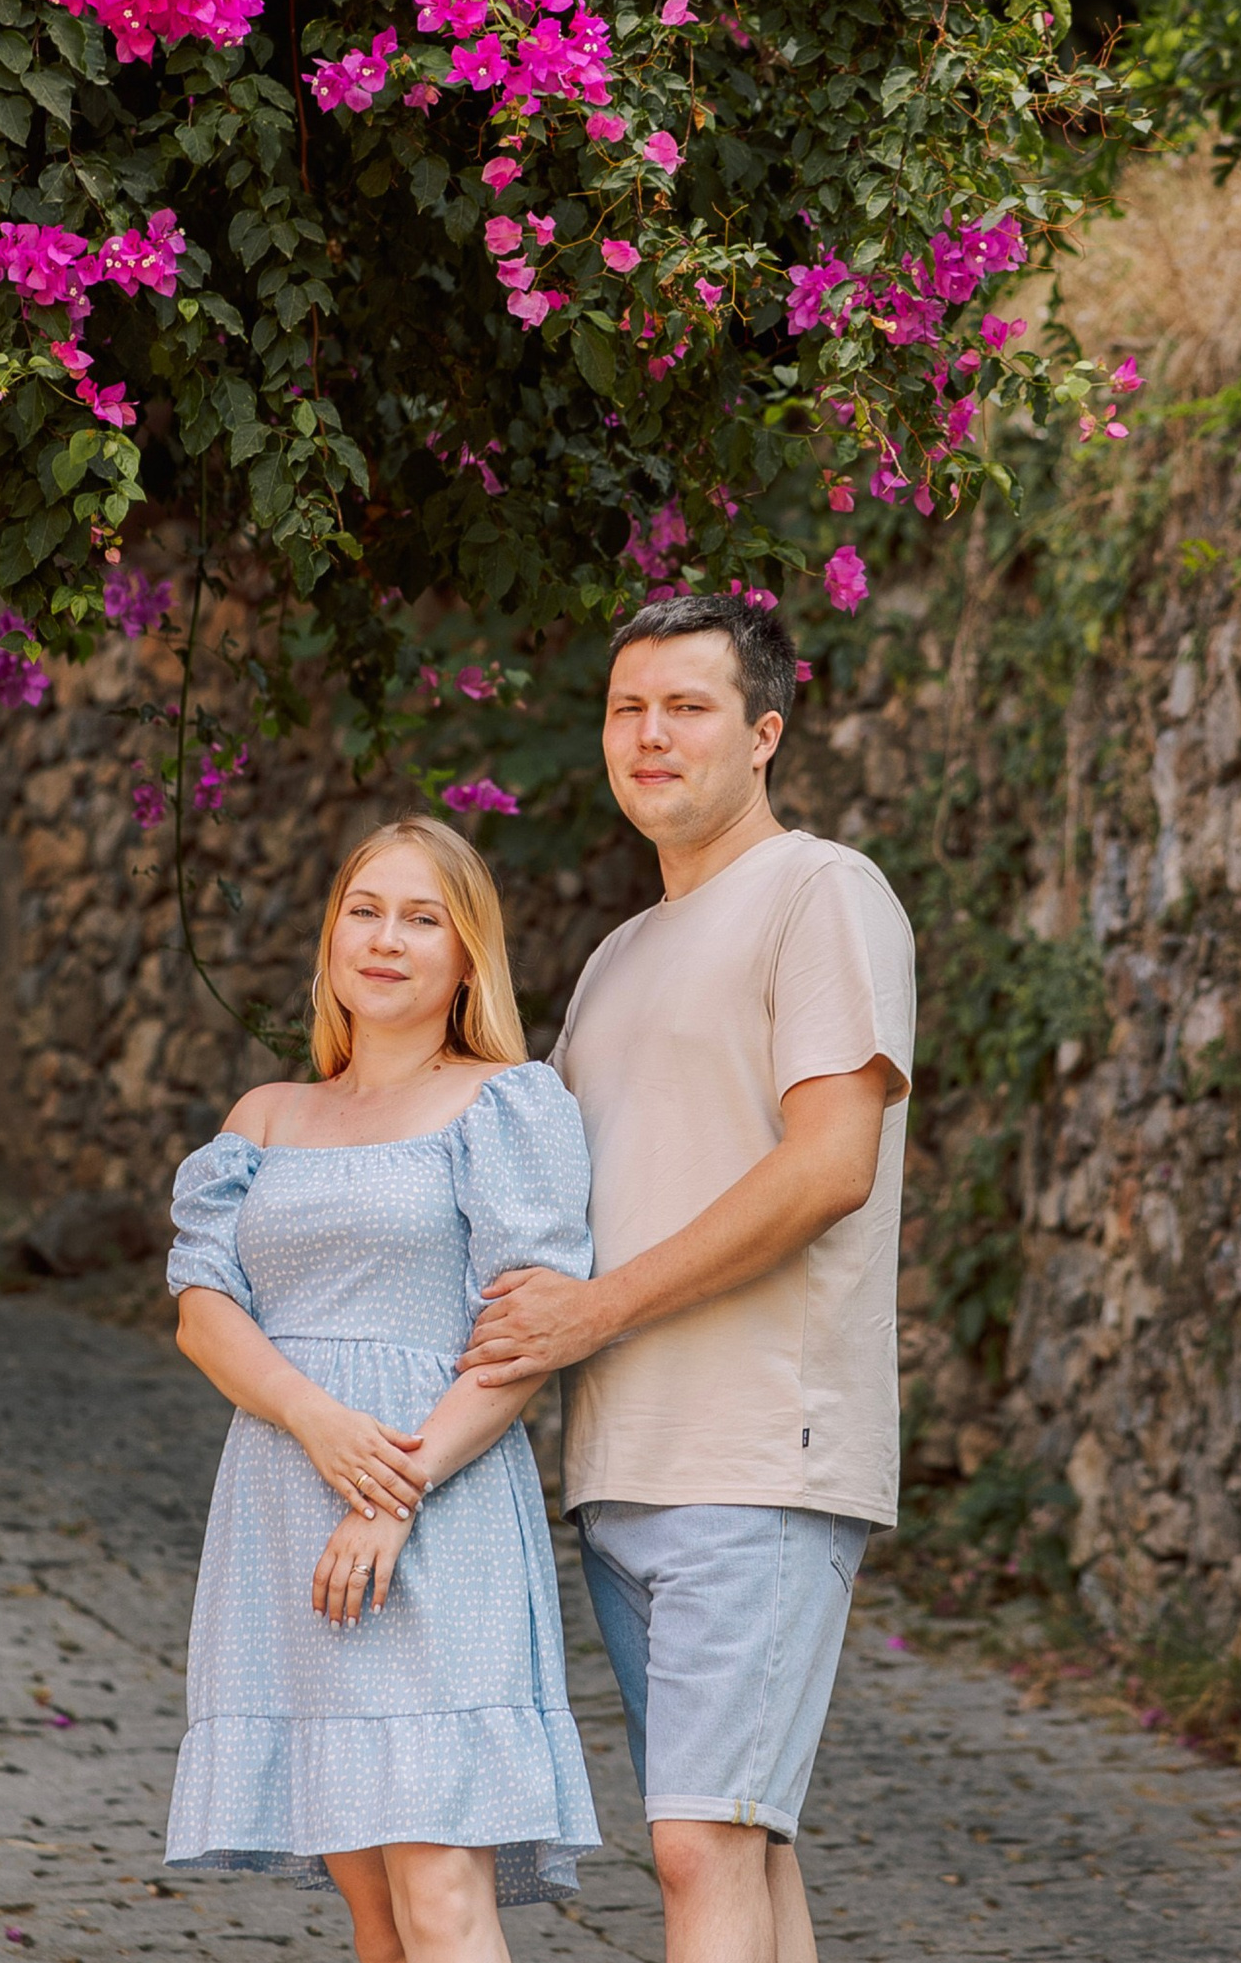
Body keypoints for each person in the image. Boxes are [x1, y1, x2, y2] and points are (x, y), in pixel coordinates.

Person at [461, 593, 916, 1963]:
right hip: (623, 1467)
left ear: (763, 733)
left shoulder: (822, 893)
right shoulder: (616, 958)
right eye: (627, 708)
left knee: (701, 1843)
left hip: (761, 1452)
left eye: (687, 707)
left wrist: (595, 1312)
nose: (649, 735)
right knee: (742, 1845)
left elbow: (829, 1165)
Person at [163, 814, 600, 1963]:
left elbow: (523, 1335)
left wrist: (391, 1491)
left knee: (441, 1894)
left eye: (421, 919)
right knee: (374, 1913)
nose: (386, 939)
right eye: (364, 911)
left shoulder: (509, 1103)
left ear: (466, 957)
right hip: (286, 1503)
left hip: (437, 1508)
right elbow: (202, 1312)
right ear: (331, 936)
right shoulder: (265, 1117)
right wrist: (313, 1418)